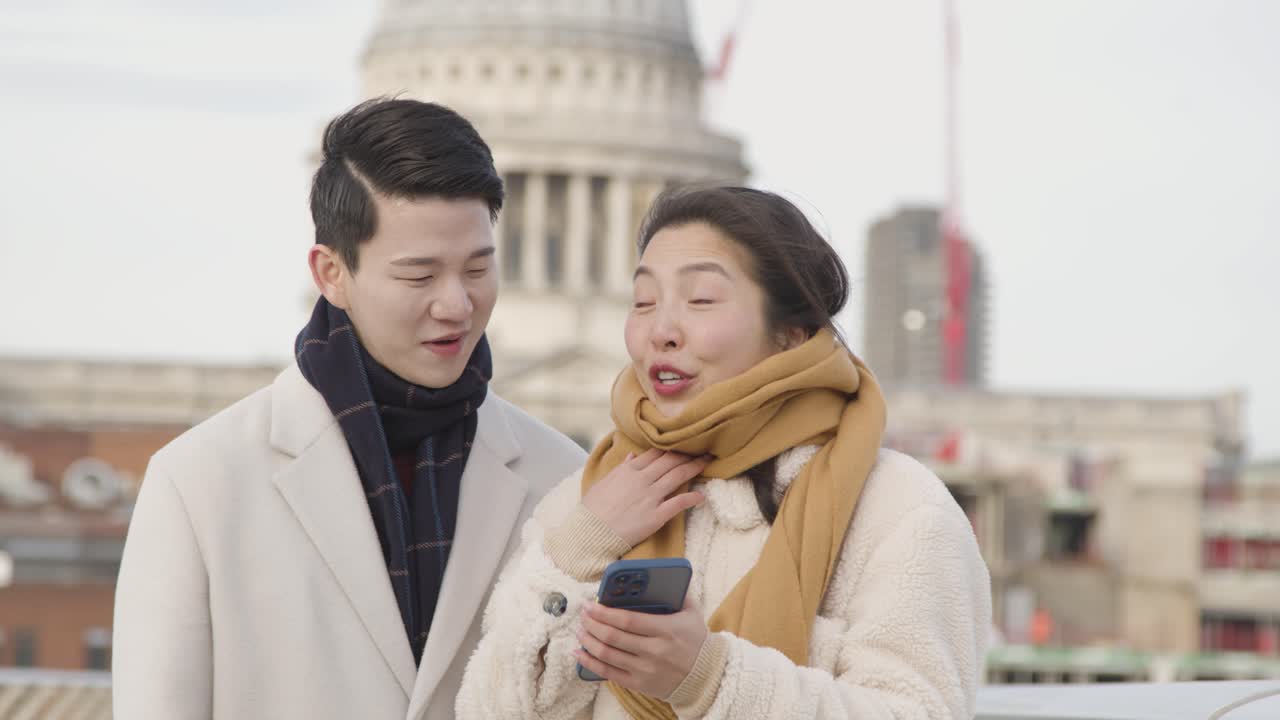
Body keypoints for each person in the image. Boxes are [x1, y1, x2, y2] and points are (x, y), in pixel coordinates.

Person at [112, 98, 586, 720]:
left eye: (477, 268)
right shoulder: (199, 483)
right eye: (419, 277)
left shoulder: (565, 478)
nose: (456, 305)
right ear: (331, 273)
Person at [457, 185, 991, 719]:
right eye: (643, 302)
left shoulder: (896, 508)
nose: (661, 331)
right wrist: (576, 553)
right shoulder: (588, 498)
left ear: (790, 334)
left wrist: (709, 680)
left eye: (700, 300)